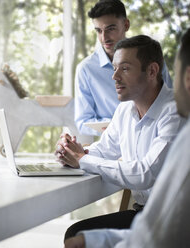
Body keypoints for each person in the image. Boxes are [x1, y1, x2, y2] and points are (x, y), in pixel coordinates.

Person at [63, 27, 190, 248]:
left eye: (125, 68)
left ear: (151, 71)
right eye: (114, 68)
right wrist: (74, 152)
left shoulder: (174, 112)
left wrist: (83, 159)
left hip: (164, 219)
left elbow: (145, 174)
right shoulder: (125, 110)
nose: (114, 76)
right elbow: (104, 149)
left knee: (77, 232)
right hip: (144, 213)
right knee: (77, 231)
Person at [74, 0, 172, 136]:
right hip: (112, 145)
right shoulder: (86, 70)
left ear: (126, 25)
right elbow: (83, 121)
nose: (104, 38)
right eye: (99, 31)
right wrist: (120, 126)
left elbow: (170, 101)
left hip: (155, 135)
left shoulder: (151, 58)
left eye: (110, 29)